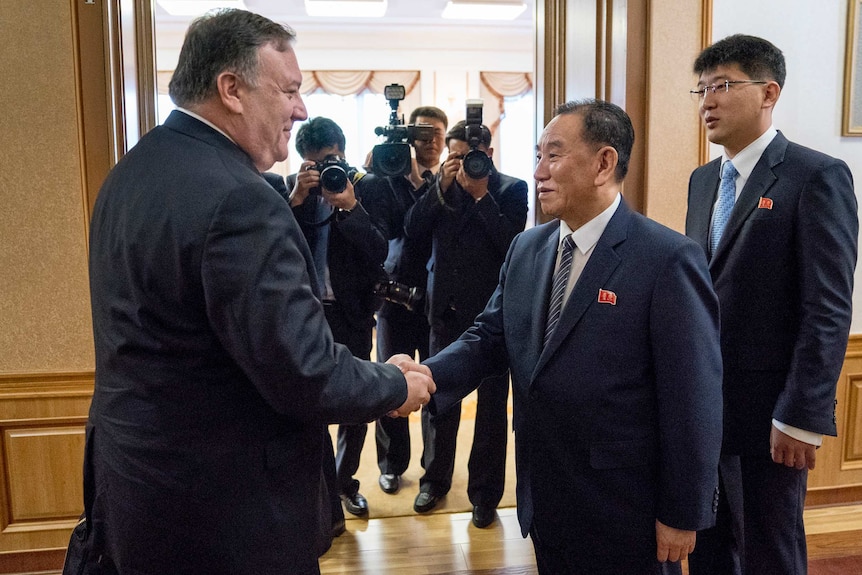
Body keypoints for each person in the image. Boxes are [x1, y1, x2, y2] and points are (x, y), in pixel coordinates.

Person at [83, 10, 434, 575]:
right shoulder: (239, 198)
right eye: (290, 90)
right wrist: (393, 382)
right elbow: (304, 373)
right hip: (226, 513)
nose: (300, 108)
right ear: (232, 89)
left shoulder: (133, 169)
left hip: (139, 491)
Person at [403, 99, 723, 574]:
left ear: (604, 163)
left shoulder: (666, 259)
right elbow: (491, 335)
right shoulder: (528, 246)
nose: (538, 172)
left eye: (553, 155)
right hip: (545, 496)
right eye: (537, 156)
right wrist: (427, 375)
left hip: (625, 508)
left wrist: (683, 511)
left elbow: (693, 398)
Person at [684, 34, 858, 575]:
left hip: (772, 412)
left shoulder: (815, 176)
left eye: (723, 86)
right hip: (703, 404)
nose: (708, 101)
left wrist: (802, 415)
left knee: (769, 546)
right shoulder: (703, 179)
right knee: (708, 541)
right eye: (702, 89)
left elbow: (827, 307)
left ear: (768, 92)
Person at [403, 119, 528, 526]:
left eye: (469, 156)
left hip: (492, 319)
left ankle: (485, 495)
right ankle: (434, 481)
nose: (461, 163)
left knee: (492, 412)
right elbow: (413, 233)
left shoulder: (512, 189)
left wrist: (482, 197)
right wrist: (440, 189)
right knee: (438, 403)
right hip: (444, 314)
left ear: (488, 155)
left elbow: (514, 245)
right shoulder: (439, 190)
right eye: (454, 155)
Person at [279, 117, 388, 521]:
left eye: (331, 160)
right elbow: (275, 247)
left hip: (352, 312)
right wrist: (294, 199)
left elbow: (379, 249)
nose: (326, 169)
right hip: (305, 315)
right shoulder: (290, 189)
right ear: (302, 161)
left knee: (356, 402)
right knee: (312, 404)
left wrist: (351, 207)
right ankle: (323, 495)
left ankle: (344, 482)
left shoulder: (367, 186)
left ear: (342, 149)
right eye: (315, 163)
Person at [362, 106, 448, 495]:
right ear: (410, 141)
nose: (430, 143)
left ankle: (433, 471)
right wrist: (377, 175)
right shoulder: (388, 177)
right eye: (423, 136)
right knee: (391, 379)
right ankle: (391, 463)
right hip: (395, 295)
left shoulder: (454, 179)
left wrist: (436, 186)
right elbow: (395, 229)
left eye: (437, 136)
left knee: (435, 385)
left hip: (437, 298)